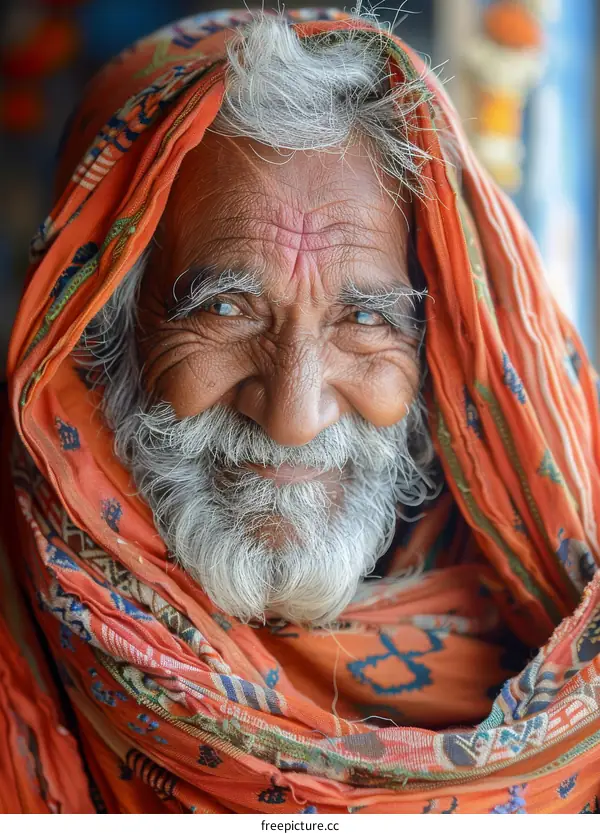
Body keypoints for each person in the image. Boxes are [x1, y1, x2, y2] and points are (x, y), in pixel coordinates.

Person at [1, 8, 599, 815]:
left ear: (443, 350)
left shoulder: (560, 646)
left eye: (366, 319)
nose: (293, 415)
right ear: (99, 328)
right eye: (224, 310)